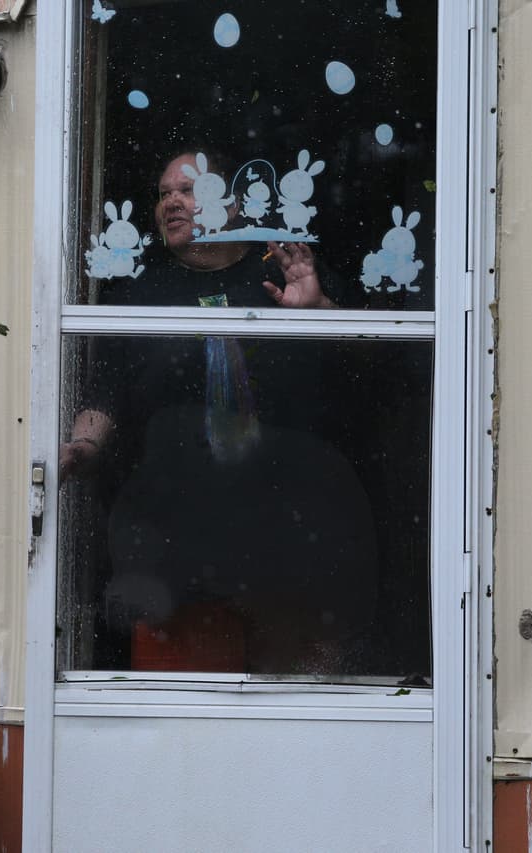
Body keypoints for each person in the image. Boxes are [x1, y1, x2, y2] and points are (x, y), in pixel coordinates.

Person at [61, 151, 378, 675]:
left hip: (288, 527)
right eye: (164, 194)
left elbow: (383, 367)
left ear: (232, 204)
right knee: (187, 698)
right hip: (178, 535)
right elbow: (105, 392)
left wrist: (319, 314)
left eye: (187, 190)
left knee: (289, 692)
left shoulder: (285, 274)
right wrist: (84, 447)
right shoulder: (138, 294)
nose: (172, 204)